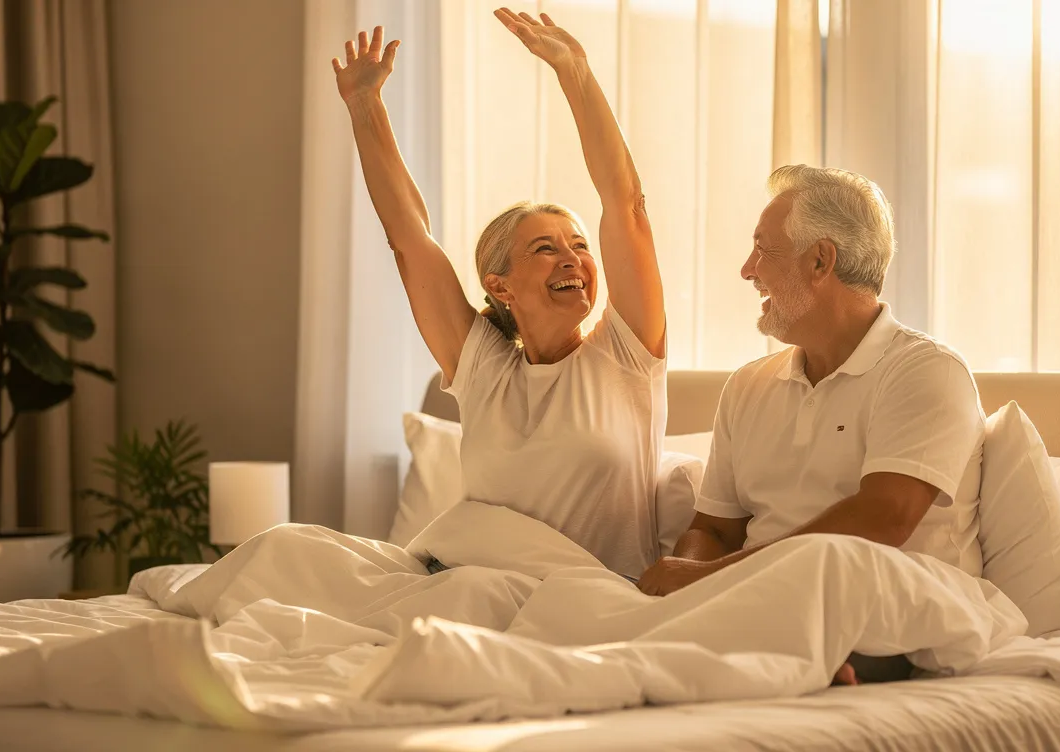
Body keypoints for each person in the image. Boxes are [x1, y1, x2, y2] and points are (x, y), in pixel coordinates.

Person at [332, 10, 667, 580]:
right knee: (290, 551)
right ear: (499, 285)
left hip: (594, 605)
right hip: (477, 591)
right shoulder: (485, 370)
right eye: (544, 248)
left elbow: (627, 205)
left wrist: (575, 73)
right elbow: (409, 240)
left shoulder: (626, 355)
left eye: (578, 245)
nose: (572, 258)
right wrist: (365, 106)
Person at [636, 165, 985, 680]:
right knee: (568, 593)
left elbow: (884, 519)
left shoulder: (927, 370)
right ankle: (771, 651)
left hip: (879, 611)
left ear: (821, 260)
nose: (747, 270)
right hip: (755, 602)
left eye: (763, 249)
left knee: (830, 570)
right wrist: (690, 581)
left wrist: (710, 581)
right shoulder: (749, 385)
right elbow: (712, 529)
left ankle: (791, 653)